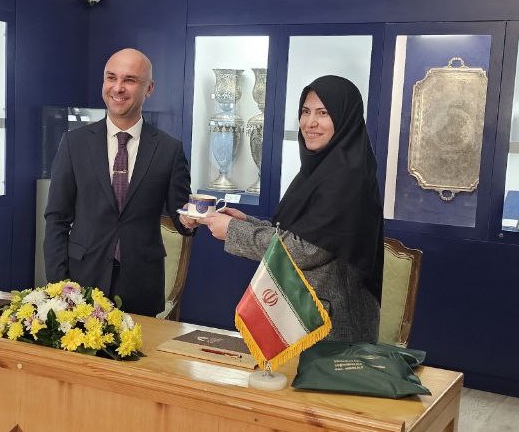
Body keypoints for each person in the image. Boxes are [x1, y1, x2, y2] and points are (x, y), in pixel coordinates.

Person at [193, 75, 384, 342]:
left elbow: (307, 250)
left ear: (345, 118)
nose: (310, 122)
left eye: (323, 113)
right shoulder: (322, 168)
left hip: (331, 330)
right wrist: (246, 221)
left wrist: (233, 231)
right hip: (305, 315)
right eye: (305, 111)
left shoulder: (348, 177)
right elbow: (298, 231)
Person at [44, 48, 194, 316]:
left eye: (130, 80)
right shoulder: (74, 144)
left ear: (149, 88)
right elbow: (57, 218)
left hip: (141, 287)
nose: (118, 88)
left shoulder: (169, 150)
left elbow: (181, 215)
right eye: (111, 78)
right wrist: (58, 284)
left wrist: (192, 220)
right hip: (81, 283)